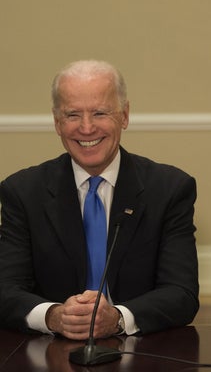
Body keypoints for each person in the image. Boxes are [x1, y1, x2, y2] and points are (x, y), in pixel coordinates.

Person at [0, 60, 199, 340]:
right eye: (72, 115)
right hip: (51, 351)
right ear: (57, 122)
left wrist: (118, 318)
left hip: (142, 351)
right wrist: (54, 316)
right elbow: (5, 290)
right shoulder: (22, 192)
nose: (87, 128)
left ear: (125, 115)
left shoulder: (169, 189)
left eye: (100, 112)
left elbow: (182, 294)